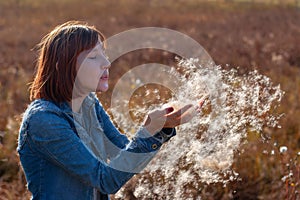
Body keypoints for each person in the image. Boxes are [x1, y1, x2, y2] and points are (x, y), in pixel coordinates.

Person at [17, 21, 200, 200]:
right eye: (94, 57)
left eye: (104, 54)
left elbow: (120, 151)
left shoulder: (89, 104)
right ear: (64, 65)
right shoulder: (44, 120)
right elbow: (104, 180)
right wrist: (148, 131)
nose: (106, 63)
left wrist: (160, 126)